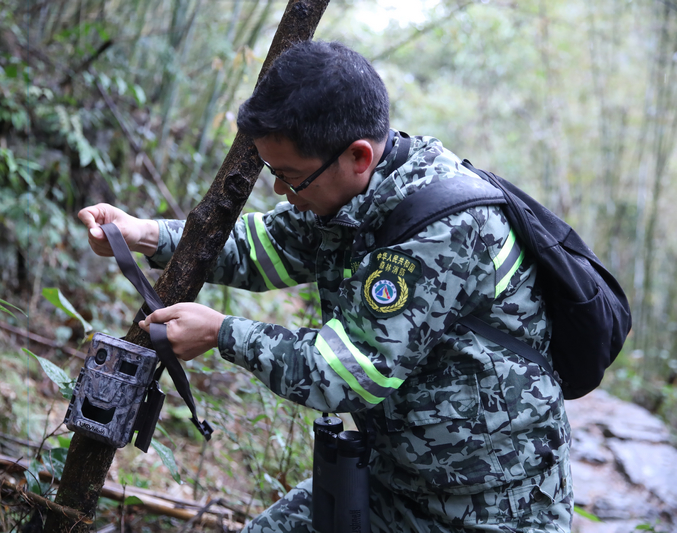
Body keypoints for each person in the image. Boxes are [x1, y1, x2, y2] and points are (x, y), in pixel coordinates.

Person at [78, 40, 573, 533]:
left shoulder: (440, 232)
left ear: (357, 156)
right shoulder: (358, 192)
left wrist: (221, 333)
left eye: (290, 177)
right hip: (392, 482)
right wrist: (145, 234)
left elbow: (345, 375)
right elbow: (263, 247)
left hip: (494, 508)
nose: (280, 192)